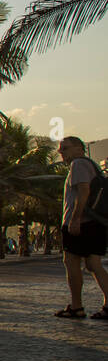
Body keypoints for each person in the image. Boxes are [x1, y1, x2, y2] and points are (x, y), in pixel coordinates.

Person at [55, 136, 108, 319]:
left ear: (79, 148)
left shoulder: (78, 164)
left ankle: (77, 307)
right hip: (94, 223)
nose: (62, 153)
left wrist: (75, 219)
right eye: (60, 150)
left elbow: (84, 190)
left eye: (66, 148)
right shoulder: (91, 165)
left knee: (71, 263)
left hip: (81, 223)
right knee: (94, 264)